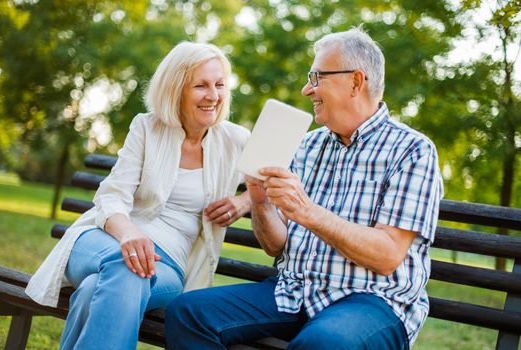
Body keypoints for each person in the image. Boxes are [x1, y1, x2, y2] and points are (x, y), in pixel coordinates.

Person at [165, 27, 444, 349]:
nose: (305, 90)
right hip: (293, 291)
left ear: (355, 82)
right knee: (187, 313)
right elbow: (276, 246)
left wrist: (308, 211)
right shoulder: (306, 145)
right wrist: (259, 200)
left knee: (322, 343)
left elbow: (387, 256)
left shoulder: (412, 150)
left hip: (372, 301)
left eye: (316, 78)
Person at [25, 41, 251, 349]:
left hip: (168, 264)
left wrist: (244, 200)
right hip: (107, 239)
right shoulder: (146, 128)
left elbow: (283, 176)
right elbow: (111, 196)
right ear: (176, 89)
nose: (213, 95)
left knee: (97, 289)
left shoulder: (235, 140)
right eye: (201, 85)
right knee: (123, 263)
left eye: (220, 85)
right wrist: (128, 234)